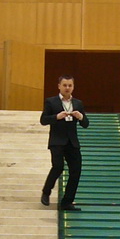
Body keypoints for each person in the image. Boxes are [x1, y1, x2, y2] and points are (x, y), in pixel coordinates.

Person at [40, 75, 89, 211]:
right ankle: (46, 191)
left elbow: (86, 124)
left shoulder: (78, 103)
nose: (67, 88)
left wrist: (81, 117)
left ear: (73, 87)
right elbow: (43, 120)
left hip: (72, 142)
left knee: (76, 170)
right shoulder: (51, 102)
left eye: (70, 85)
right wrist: (57, 117)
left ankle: (67, 201)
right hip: (57, 141)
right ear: (59, 86)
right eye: (65, 85)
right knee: (58, 166)